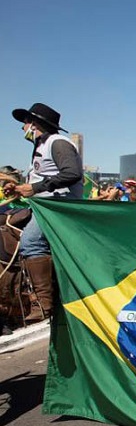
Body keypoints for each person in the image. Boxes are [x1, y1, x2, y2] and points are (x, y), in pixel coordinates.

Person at [6, 103, 82, 322]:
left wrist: (36, 188)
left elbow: (72, 174)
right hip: (44, 203)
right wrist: (22, 189)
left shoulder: (58, 143)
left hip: (60, 206)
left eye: (25, 122)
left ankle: (42, 303)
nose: (23, 128)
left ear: (36, 123)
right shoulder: (41, 145)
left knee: (30, 241)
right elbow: (41, 178)